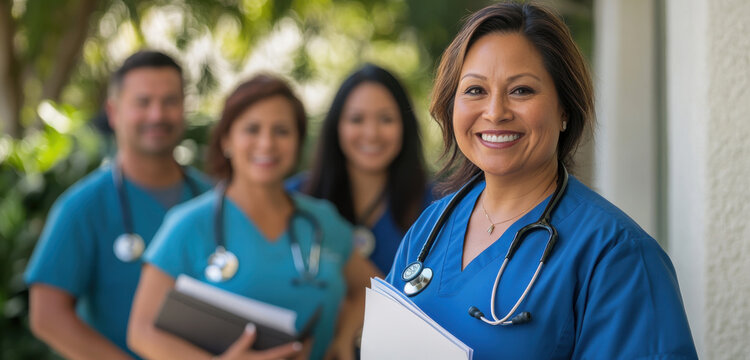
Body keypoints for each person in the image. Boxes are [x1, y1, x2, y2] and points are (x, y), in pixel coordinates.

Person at [383, 3, 698, 359]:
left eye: (521, 90)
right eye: (475, 90)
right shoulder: (430, 229)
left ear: (565, 108)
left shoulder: (617, 255)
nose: (495, 111)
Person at [128, 74, 373, 360]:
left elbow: (375, 290)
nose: (267, 143)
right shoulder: (189, 224)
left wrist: (344, 337)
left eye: (282, 131)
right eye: (252, 129)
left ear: (298, 141)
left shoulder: (323, 222)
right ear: (226, 140)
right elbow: (141, 332)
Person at [24, 50, 211, 359]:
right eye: (143, 102)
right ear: (113, 112)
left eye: (170, 102)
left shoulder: (213, 200)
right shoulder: (82, 208)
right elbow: (47, 316)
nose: (157, 115)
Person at [287, 64, 432, 275]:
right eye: (357, 119)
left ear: (405, 126)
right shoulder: (294, 198)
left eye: (386, 119)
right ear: (336, 126)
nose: (371, 133)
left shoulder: (437, 208)